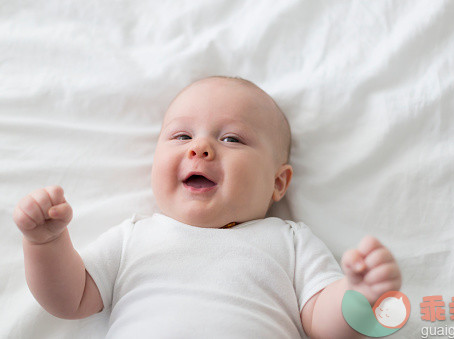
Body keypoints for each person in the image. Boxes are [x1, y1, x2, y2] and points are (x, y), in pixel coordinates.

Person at [13, 76, 401, 338]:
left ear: (278, 182)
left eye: (232, 138)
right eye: (182, 135)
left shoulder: (290, 241)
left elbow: (321, 321)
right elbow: (71, 299)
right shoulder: (135, 236)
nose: (199, 148)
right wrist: (46, 245)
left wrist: (357, 295)